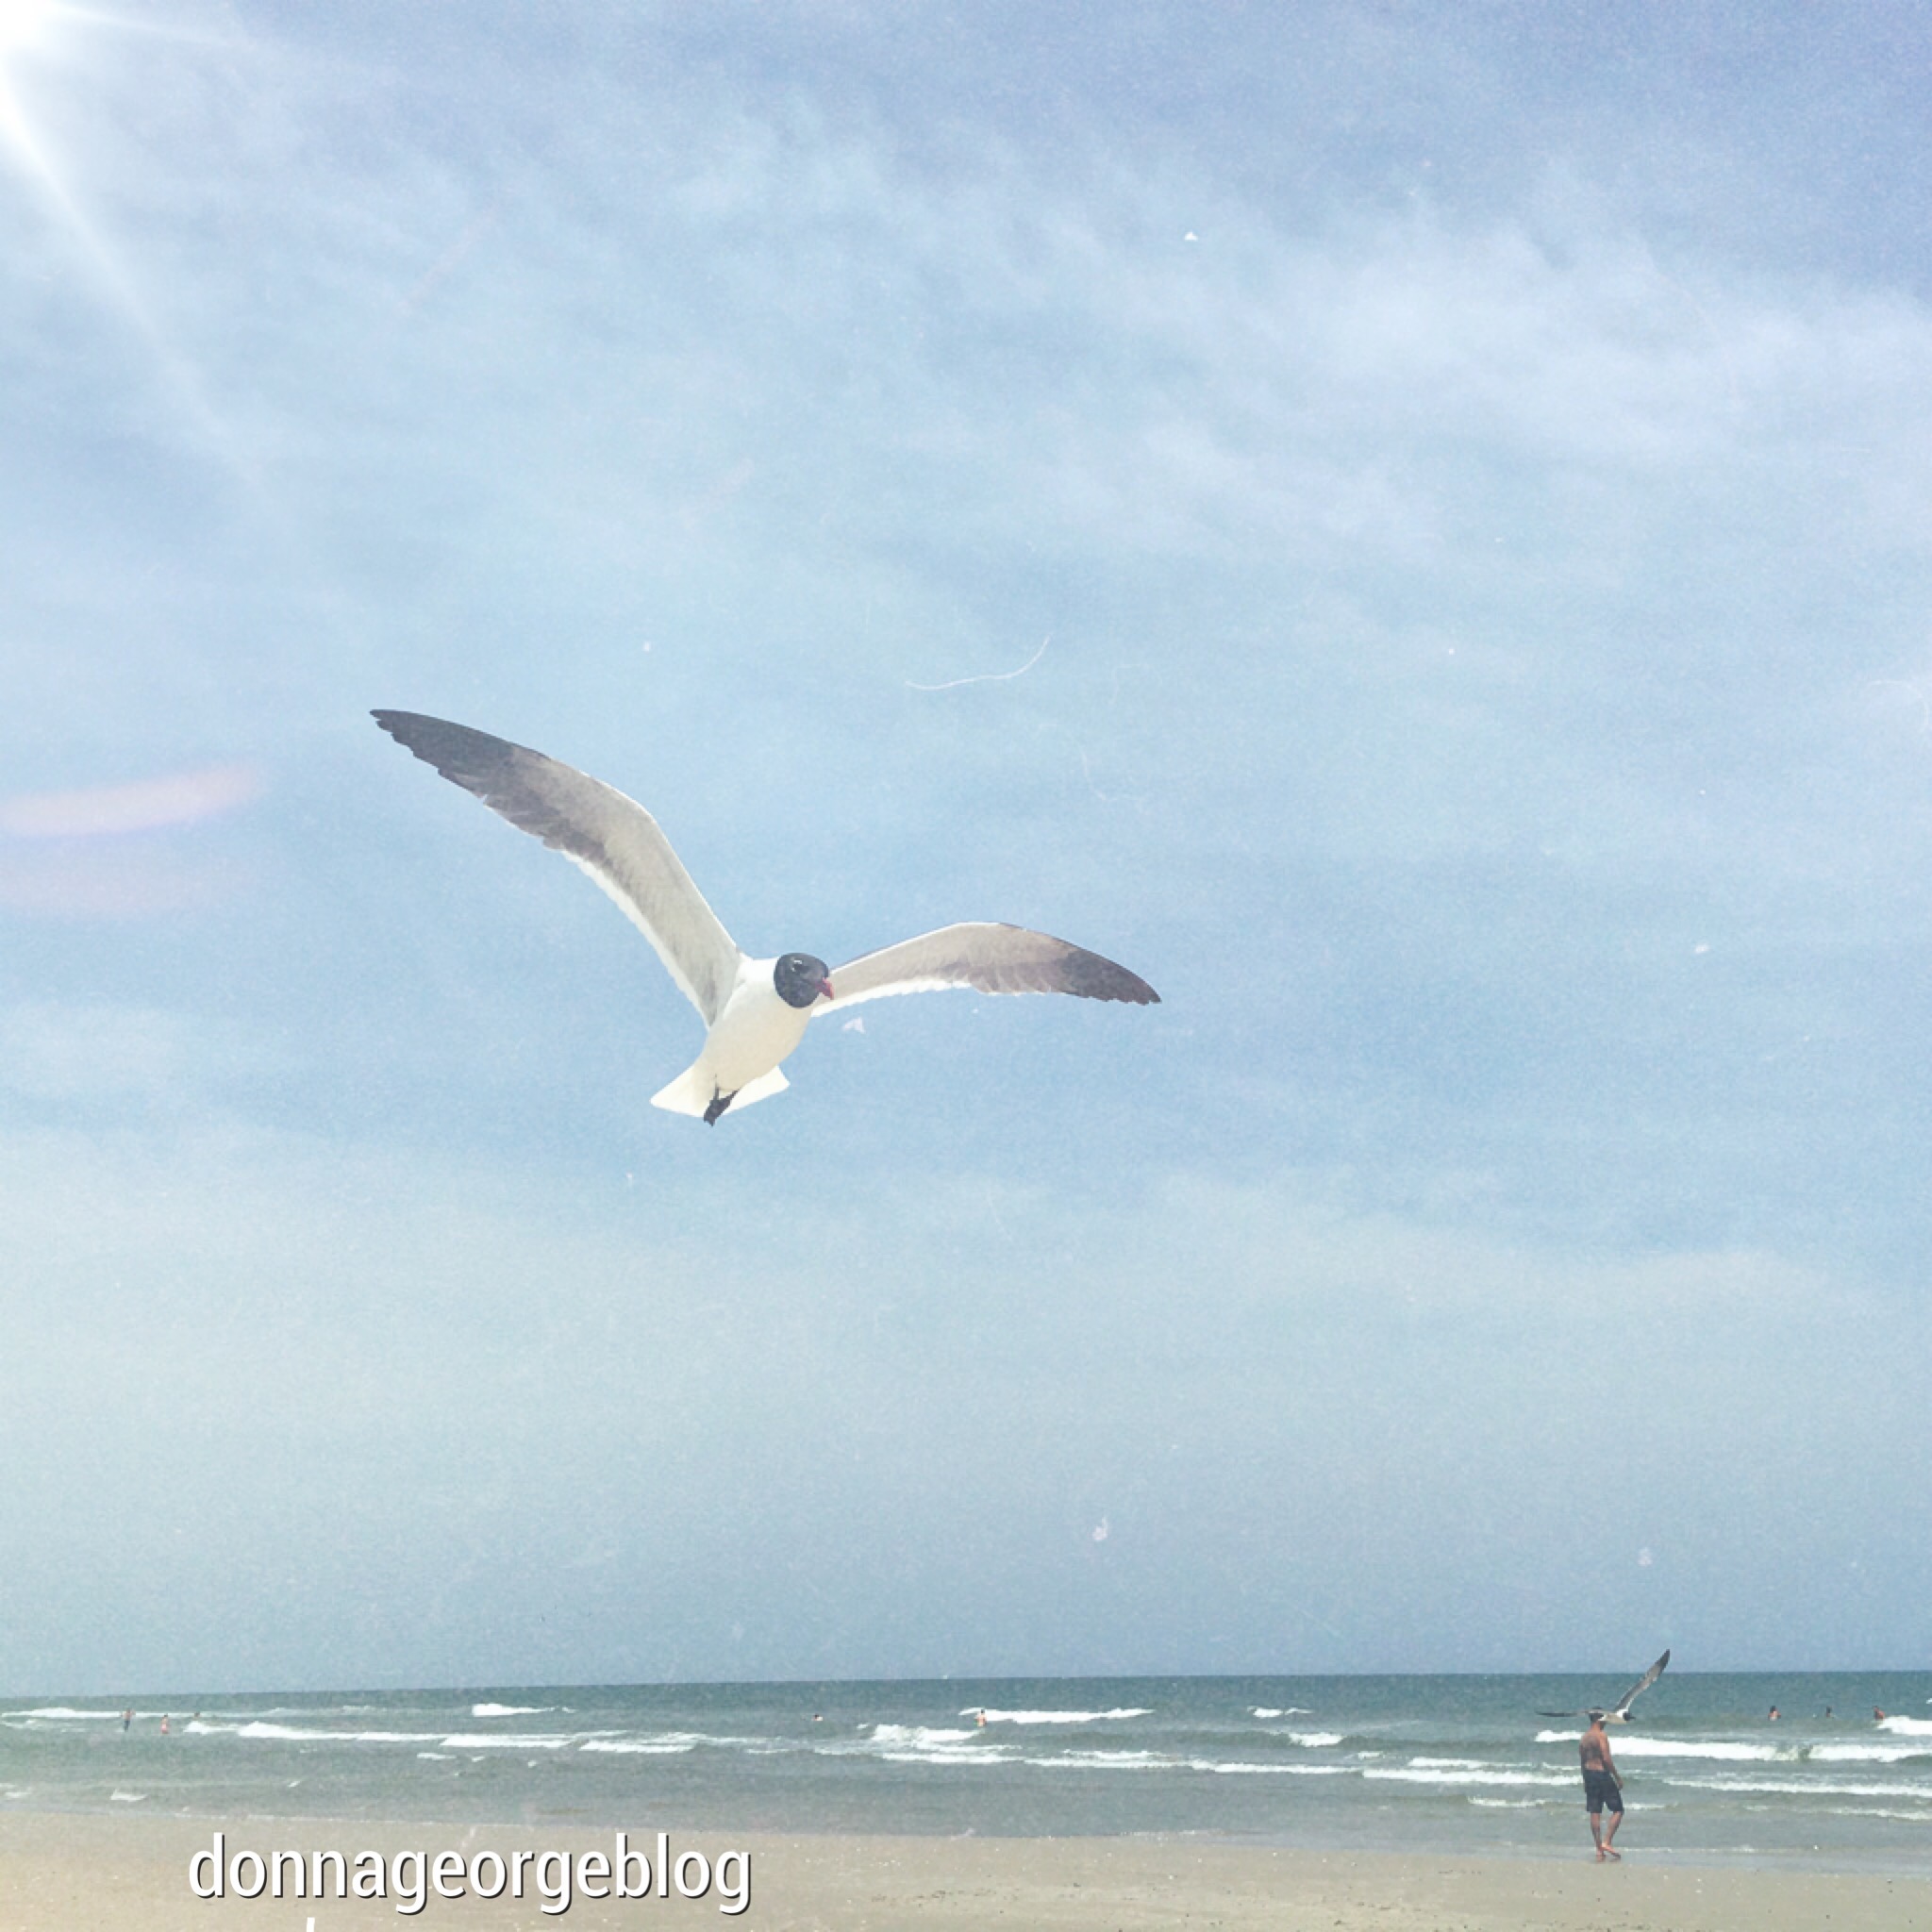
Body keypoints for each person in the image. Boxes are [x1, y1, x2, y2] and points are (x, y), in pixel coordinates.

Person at [1579, 1711, 1624, 1859]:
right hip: (1601, 1774)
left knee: (1595, 1811)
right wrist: (1617, 1777)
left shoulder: (1584, 1738)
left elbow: (1582, 1761)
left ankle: (1599, 1849)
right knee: (1618, 1809)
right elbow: (1606, 1758)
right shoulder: (1601, 1736)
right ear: (1598, 1720)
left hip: (1589, 1775)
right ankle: (1607, 1841)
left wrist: (1585, 1780)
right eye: (1604, 1719)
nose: (1606, 1722)